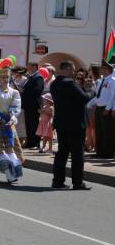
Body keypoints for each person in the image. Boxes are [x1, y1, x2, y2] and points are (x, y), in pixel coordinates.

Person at [50, 61, 91, 190]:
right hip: (75, 125)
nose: (74, 73)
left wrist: (82, 88)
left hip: (61, 123)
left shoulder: (54, 84)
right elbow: (84, 98)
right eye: (72, 70)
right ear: (67, 69)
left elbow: (74, 98)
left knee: (62, 153)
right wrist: (91, 91)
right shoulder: (70, 83)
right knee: (77, 154)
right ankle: (77, 182)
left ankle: (57, 181)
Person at [21, 62, 44, 149]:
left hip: (33, 105)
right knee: (28, 124)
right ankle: (30, 142)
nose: (28, 68)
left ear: (35, 67)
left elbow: (37, 90)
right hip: (28, 105)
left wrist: (24, 92)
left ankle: (35, 143)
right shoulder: (30, 77)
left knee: (33, 124)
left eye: (29, 67)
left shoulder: (38, 77)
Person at [95, 61, 115, 158]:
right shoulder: (101, 80)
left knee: (107, 131)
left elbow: (112, 96)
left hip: (106, 108)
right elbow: (97, 95)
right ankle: (100, 152)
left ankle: (108, 152)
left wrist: (108, 108)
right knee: (99, 130)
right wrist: (90, 104)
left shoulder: (112, 80)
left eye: (103, 68)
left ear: (108, 69)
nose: (101, 70)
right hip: (98, 107)